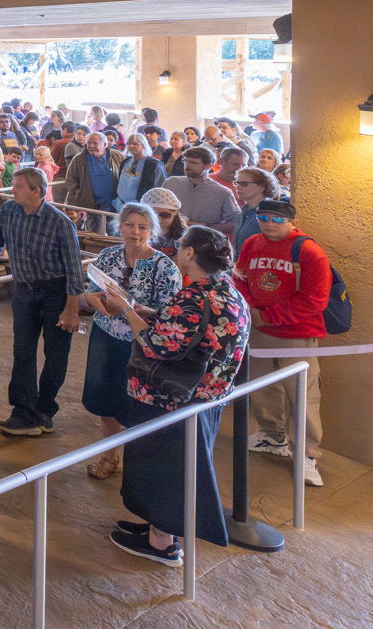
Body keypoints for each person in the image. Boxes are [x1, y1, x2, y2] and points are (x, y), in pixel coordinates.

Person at [108, 226, 250, 564]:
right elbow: (189, 330)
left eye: (180, 246)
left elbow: (160, 344)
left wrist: (125, 310)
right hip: (205, 399)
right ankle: (158, 526)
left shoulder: (193, 296)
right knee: (173, 466)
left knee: (165, 469)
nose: (174, 250)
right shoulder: (227, 291)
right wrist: (146, 311)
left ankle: (163, 542)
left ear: (190, 253)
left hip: (172, 400)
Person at [233, 199, 331, 487]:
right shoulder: (252, 243)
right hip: (259, 329)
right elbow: (240, 277)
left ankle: (307, 453)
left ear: (290, 221)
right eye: (263, 217)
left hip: (296, 333)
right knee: (262, 385)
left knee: (303, 394)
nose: (268, 223)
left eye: (276, 219)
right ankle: (272, 434)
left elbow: (315, 300)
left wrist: (269, 316)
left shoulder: (309, 251)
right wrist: (252, 310)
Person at [80, 203, 182, 479]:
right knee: (105, 396)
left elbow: (168, 315)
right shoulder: (109, 255)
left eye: (142, 227)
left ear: (153, 231)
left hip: (139, 343)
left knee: (136, 403)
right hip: (105, 334)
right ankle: (110, 456)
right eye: (129, 225)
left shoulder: (165, 268)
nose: (135, 232)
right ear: (120, 226)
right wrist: (96, 301)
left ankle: (138, 466)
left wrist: (128, 307)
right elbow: (92, 290)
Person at [0, 168, 84, 436]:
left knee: (56, 354)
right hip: (24, 290)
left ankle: (44, 409)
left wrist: (71, 310)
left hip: (55, 292)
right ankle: (23, 411)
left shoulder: (60, 223)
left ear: (36, 191)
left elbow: (74, 271)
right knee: (22, 350)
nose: (12, 190)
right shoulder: (8, 211)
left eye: (18, 186)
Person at [162, 147, 240, 237]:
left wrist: (207, 226)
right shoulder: (171, 183)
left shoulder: (223, 193)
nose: (187, 166)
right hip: (169, 241)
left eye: (193, 163)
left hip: (204, 243)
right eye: (185, 161)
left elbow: (237, 223)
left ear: (208, 165)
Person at [62, 132, 124, 235]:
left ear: (104, 144)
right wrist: (81, 195)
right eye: (89, 143)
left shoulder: (117, 156)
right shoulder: (79, 159)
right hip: (92, 204)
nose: (91, 146)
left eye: (95, 143)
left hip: (114, 202)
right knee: (94, 234)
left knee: (115, 232)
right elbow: (70, 180)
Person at [231, 167, 284, 255]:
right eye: (237, 183)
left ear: (262, 187)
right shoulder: (244, 210)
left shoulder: (271, 213)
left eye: (244, 184)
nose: (238, 187)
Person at [117, 133, 167, 206]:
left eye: (135, 144)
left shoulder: (154, 164)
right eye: (129, 143)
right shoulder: (125, 162)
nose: (131, 146)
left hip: (141, 206)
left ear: (143, 145)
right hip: (120, 204)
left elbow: (160, 189)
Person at [142, 187, 188, 257]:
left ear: (175, 212)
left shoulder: (184, 236)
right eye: (153, 215)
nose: (158, 220)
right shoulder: (137, 233)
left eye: (164, 215)